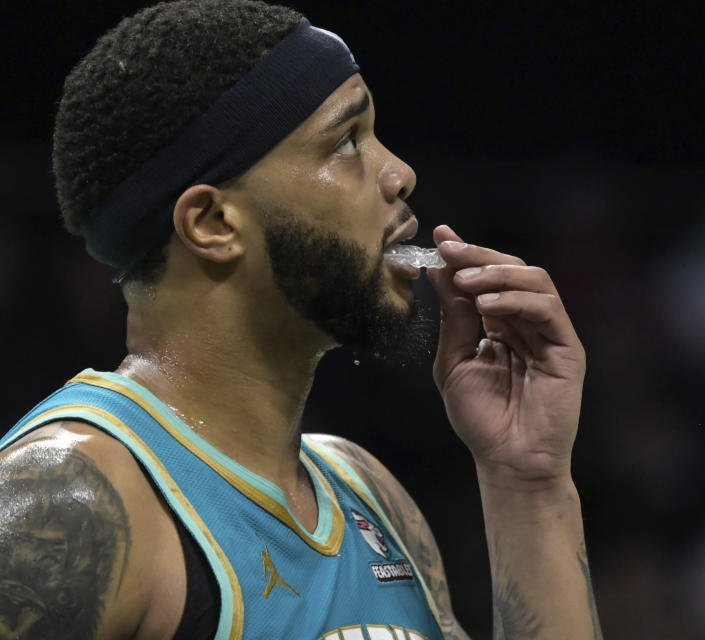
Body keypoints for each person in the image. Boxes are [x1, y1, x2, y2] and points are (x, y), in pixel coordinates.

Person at [0, 1, 600, 638]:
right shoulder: (64, 505)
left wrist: (527, 482)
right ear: (212, 224)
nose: (399, 173)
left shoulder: (371, 495)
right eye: (346, 141)